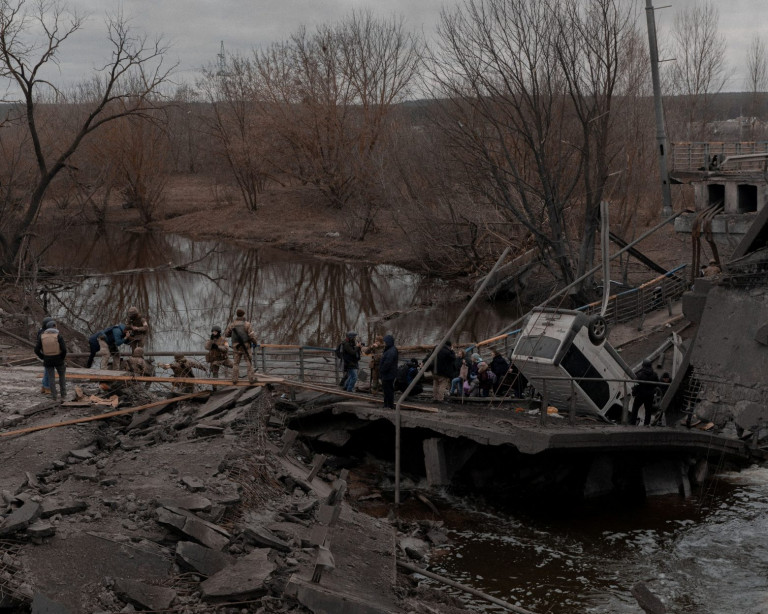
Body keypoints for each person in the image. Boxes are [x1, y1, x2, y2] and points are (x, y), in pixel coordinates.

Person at [34, 320, 67, 402]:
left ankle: (54, 396)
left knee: (51, 378)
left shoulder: (42, 336)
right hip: (58, 359)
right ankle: (63, 394)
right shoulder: (58, 336)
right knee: (62, 376)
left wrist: (43, 357)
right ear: (54, 326)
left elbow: (36, 349)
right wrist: (62, 357)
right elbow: (64, 349)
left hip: (47, 360)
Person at [224, 308, 259, 384]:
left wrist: (233, 333)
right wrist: (255, 343)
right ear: (243, 315)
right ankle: (251, 379)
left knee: (236, 363)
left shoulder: (232, 324)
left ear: (237, 315)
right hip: (246, 346)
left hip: (236, 346)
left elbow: (226, 334)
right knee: (249, 362)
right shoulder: (247, 324)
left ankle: (234, 380)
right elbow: (251, 336)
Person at [631, 359, 659, 426]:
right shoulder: (654, 374)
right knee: (648, 410)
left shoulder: (640, 375)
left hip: (640, 395)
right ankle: (646, 424)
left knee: (635, 409)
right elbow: (657, 384)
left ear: (643, 365)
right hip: (650, 395)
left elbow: (636, 384)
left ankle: (632, 423)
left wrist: (634, 392)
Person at [379, 335, 398, 409]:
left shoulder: (391, 351)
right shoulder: (390, 349)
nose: (384, 343)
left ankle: (389, 405)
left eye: (385, 342)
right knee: (387, 390)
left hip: (388, 374)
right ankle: (387, 404)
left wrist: (382, 370)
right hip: (389, 373)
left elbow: (387, 363)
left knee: (388, 390)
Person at [37, 316, 54, 394]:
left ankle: (44, 386)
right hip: (49, 353)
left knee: (47, 370)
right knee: (49, 371)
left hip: (45, 352)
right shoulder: (45, 333)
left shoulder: (41, 332)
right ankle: (47, 387)